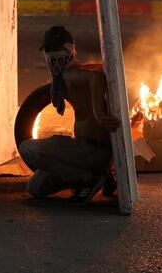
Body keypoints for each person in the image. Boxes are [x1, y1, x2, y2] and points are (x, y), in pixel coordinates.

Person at [18, 26, 121, 204]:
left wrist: (98, 111)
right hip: (83, 151)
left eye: (56, 49)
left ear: (69, 49)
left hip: (92, 149)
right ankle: (98, 175)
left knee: (28, 149)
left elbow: (96, 77)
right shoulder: (61, 79)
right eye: (48, 50)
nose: (52, 55)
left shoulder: (74, 74)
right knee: (36, 187)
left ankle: (87, 179)